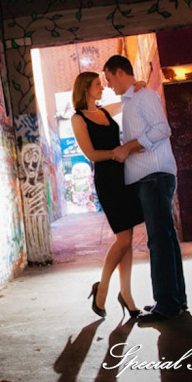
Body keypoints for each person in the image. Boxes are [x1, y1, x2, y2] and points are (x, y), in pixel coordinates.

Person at [103, 54, 187, 324]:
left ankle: (168, 305)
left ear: (119, 73)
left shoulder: (144, 96)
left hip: (154, 176)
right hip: (149, 178)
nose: (107, 85)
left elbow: (162, 130)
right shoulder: (131, 99)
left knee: (159, 240)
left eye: (108, 78)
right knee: (166, 238)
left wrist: (127, 147)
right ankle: (174, 300)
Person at [69, 71, 145, 320]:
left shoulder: (104, 111)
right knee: (122, 239)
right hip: (108, 180)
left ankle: (127, 294)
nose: (102, 87)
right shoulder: (78, 119)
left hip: (125, 175)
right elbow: (91, 154)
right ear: (85, 88)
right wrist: (117, 152)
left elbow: (125, 101)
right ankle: (102, 287)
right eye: (97, 84)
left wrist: (137, 86)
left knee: (127, 237)